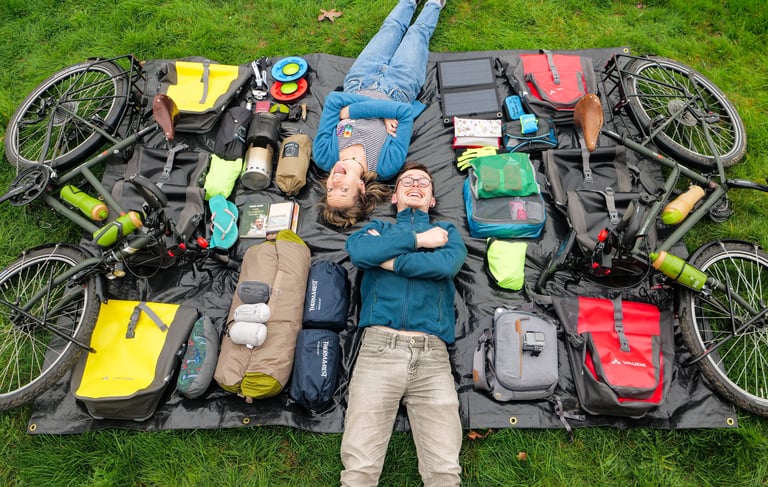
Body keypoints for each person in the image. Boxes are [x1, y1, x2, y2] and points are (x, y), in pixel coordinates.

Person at [341, 161, 467, 486]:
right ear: (394, 197)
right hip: (378, 350)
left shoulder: (448, 233)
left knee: (444, 473)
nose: (415, 185)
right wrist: (419, 241)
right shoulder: (379, 230)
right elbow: (359, 252)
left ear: (432, 200)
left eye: (424, 183)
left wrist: (387, 260)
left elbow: (444, 267)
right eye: (407, 181)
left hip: (433, 357)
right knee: (359, 471)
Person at [312, 0, 447, 228]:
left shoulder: (324, 156)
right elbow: (403, 112)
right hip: (400, 87)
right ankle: (435, 4)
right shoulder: (385, 166)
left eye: (330, 189)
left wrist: (371, 110)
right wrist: (353, 111)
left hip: (359, 80)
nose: (335, 180)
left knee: (391, 27)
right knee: (417, 34)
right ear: (361, 187)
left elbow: (335, 99)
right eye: (343, 189)